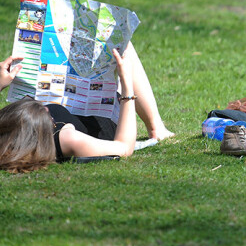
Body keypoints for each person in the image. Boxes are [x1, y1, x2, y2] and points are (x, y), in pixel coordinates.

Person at [0, 42, 174, 173]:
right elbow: (124, 148)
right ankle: (156, 128)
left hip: (75, 104)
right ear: (48, 129)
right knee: (123, 46)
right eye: (46, 113)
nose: (45, 107)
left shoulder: (9, 131)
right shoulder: (68, 139)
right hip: (104, 122)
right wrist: (126, 85)